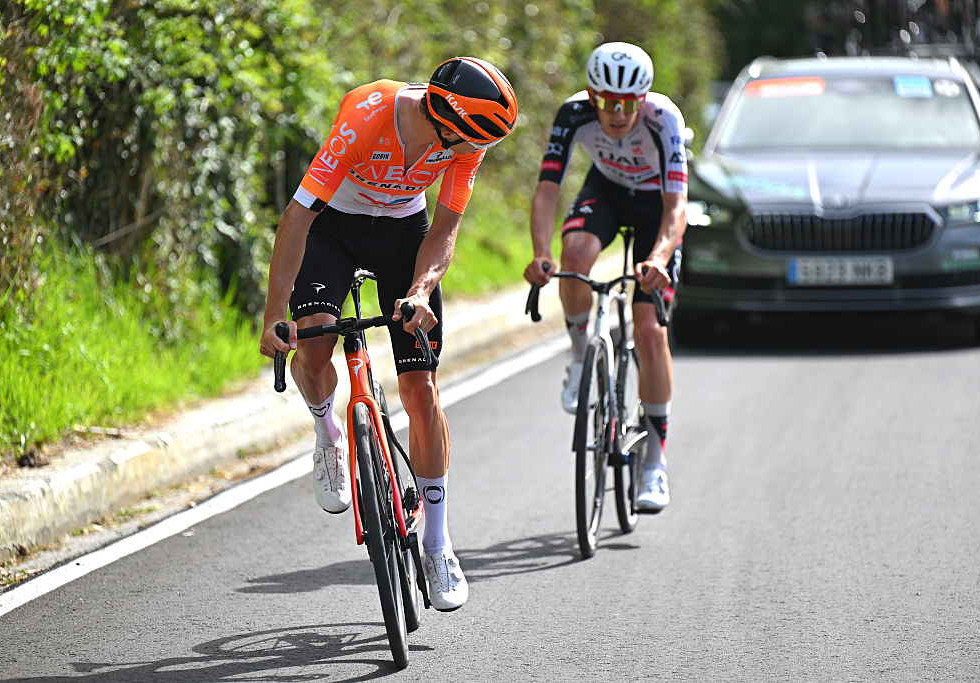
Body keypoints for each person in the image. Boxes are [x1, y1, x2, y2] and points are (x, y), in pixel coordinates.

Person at [259, 57, 518, 611]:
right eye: (472, 139)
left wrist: (421, 290)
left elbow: (445, 228)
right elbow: (299, 217)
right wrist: (273, 310)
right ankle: (328, 431)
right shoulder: (368, 115)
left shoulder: (465, 141)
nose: (472, 151)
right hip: (334, 227)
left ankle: (438, 540)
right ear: (447, 115)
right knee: (313, 343)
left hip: (404, 232)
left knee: (421, 391)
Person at [523, 42, 686, 512]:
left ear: (643, 98)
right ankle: (579, 357)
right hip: (609, 191)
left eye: (627, 103)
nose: (616, 113)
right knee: (573, 256)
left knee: (650, 332)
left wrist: (657, 256)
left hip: (657, 205)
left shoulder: (664, 120)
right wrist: (539, 253)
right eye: (606, 101)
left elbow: (677, 209)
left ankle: (655, 463)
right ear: (591, 95)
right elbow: (547, 190)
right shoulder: (574, 113)